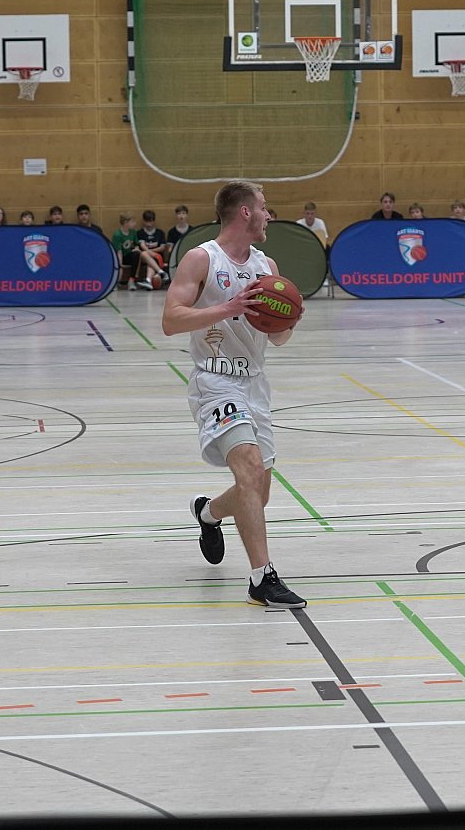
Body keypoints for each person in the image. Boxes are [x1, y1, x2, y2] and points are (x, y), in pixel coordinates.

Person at [163, 180, 305, 609]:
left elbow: (277, 339)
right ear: (245, 212)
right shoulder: (202, 258)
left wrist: (289, 318)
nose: (268, 215)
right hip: (215, 380)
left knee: (258, 492)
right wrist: (229, 307)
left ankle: (207, 513)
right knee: (249, 469)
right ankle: (262, 578)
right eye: (263, 207)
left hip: (255, 383)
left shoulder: (266, 265)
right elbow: (171, 320)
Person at [137, 210, 170, 283]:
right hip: (145, 258)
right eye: (146, 221)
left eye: (150, 221)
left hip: (157, 256)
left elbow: (162, 248)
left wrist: (150, 252)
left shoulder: (160, 232)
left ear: (154, 221)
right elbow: (142, 245)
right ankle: (161, 272)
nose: (148, 224)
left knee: (145, 255)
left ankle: (148, 280)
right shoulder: (140, 233)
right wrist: (149, 253)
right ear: (143, 221)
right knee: (144, 254)